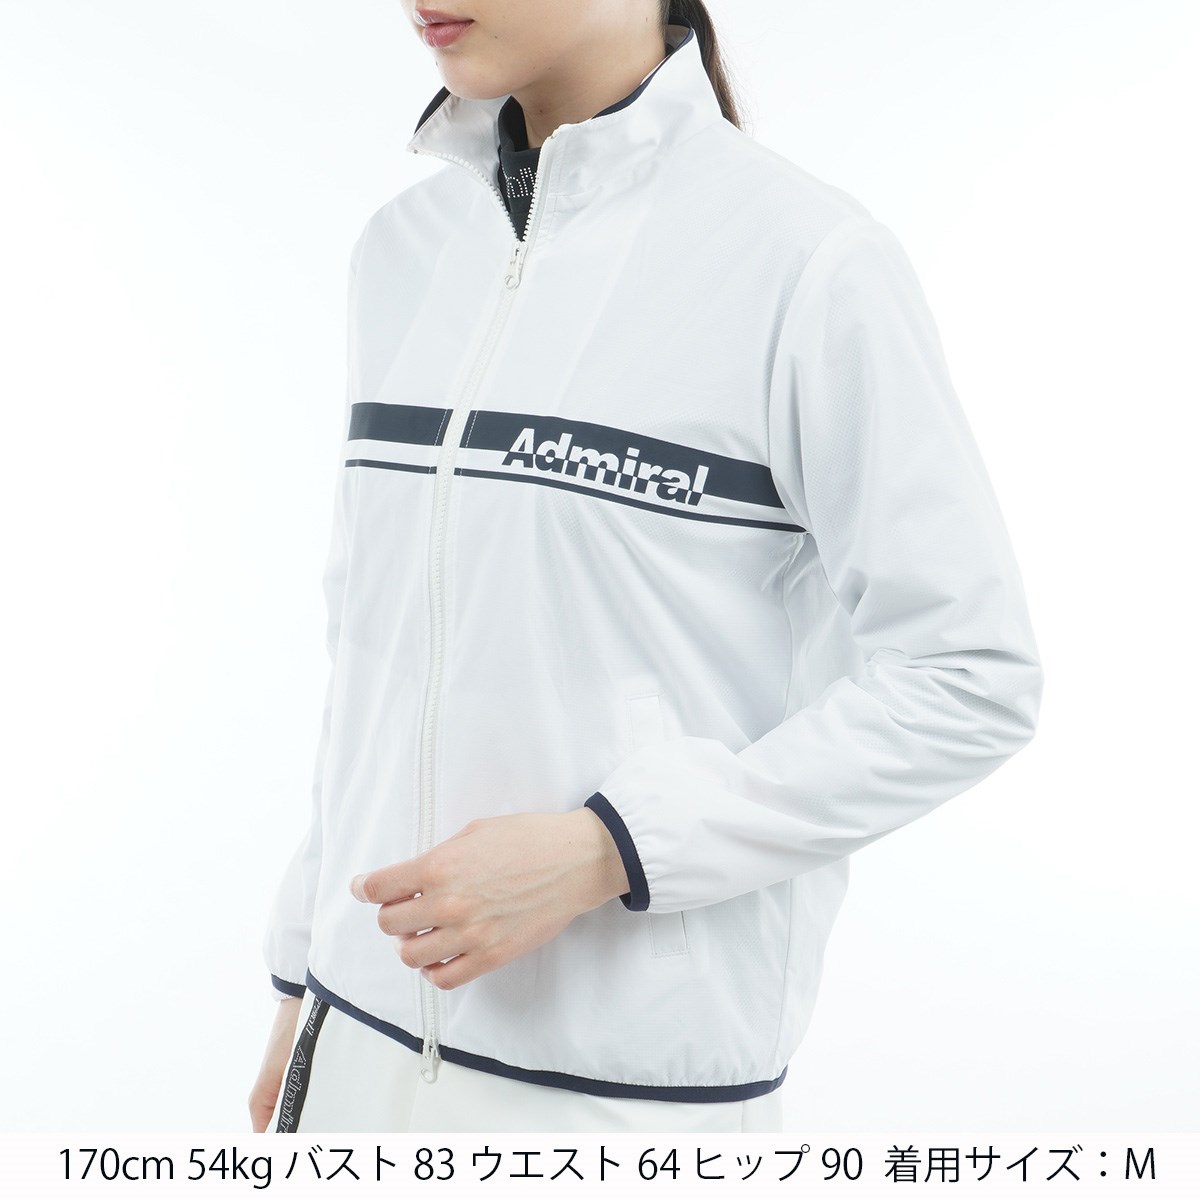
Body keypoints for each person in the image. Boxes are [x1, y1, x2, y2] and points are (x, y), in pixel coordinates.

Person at [248, 0, 1044, 1134]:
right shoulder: (403, 252)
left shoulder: (807, 263)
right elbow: (372, 659)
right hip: (352, 1048)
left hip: (623, 1103)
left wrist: (608, 848)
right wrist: (299, 977)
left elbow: (968, 677)